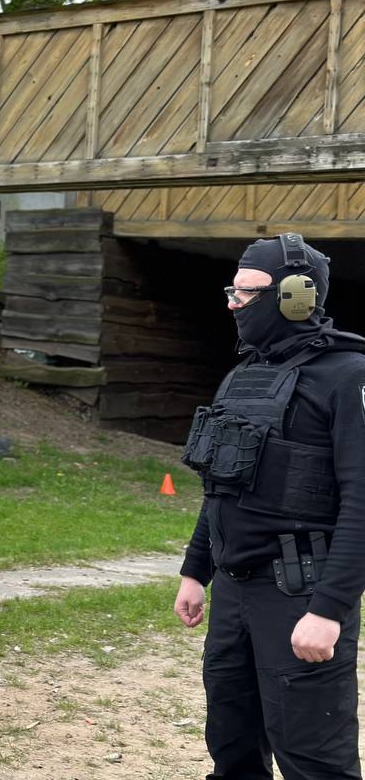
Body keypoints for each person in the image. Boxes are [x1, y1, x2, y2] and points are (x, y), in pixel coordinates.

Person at [174, 232, 365, 780]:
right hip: (234, 591)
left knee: (313, 760)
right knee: (231, 748)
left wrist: (328, 610)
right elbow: (221, 486)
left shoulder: (348, 378)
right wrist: (196, 570)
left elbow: (361, 503)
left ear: (296, 297)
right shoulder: (242, 375)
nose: (234, 304)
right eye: (231, 292)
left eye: (248, 293)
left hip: (300, 591)